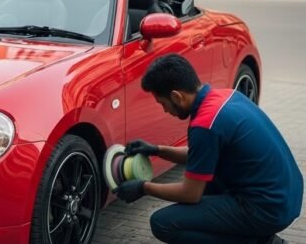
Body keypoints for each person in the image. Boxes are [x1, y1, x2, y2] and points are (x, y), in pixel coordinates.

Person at [113, 54, 303, 244]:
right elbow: (199, 156)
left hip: (268, 209)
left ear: (176, 96)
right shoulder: (226, 96)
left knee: (163, 223)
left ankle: (263, 242)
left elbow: (190, 194)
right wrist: (156, 150)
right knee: (207, 181)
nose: (165, 110)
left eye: (163, 104)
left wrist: (143, 188)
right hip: (288, 196)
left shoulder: (205, 125)